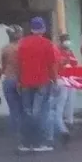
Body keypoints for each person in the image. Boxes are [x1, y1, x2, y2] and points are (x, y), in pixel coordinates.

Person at [17, 16, 58, 152]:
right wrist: (55, 80)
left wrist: (19, 81)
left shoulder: (22, 43)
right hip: (42, 81)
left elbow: (19, 64)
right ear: (43, 28)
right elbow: (52, 65)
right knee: (40, 113)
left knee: (27, 112)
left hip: (25, 82)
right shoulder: (47, 44)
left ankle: (26, 143)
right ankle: (39, 143)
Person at [45, 34, 77, 147]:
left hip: (56, 82)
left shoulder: (54, 53)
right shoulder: (57, 52)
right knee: (56, 109)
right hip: (60, 81)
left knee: (50, 109)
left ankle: (52, 134)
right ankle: (62, 130)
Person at [0, 25, 24, 133]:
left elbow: (4, 66)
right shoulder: (23, 47)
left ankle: (15, 130)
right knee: (23, 107)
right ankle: (24, 130)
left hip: (8, 79)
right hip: (21, 80)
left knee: (13, 108)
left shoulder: (5, 49)